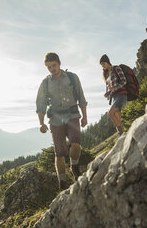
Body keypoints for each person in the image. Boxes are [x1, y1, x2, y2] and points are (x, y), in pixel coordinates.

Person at [36, 52, 88, 190]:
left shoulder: (72, 77)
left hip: (72, 115)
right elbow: (40, 104)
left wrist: (85, 116)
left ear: (59, 63)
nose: (52, 69)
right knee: (59, 153)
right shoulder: (45, 83)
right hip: (55, 119)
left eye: (53, 65)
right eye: (48, 67)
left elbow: (81, 97)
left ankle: (74, 167)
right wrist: (41, 123)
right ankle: (63, 183)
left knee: (76, 144)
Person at [99, 54, 127, 135]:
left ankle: (121, 133)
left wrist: (115, 88)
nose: (103, 66)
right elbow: (111, 88)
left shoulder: (116, 68)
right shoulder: (107, 74)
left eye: (103, 64)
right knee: (117, 117)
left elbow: (124, 81)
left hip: (121, 95)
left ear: (107, 62)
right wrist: (107, 93)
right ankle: (122, 135)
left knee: (111, 113)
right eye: (101, 65)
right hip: (114, 97)